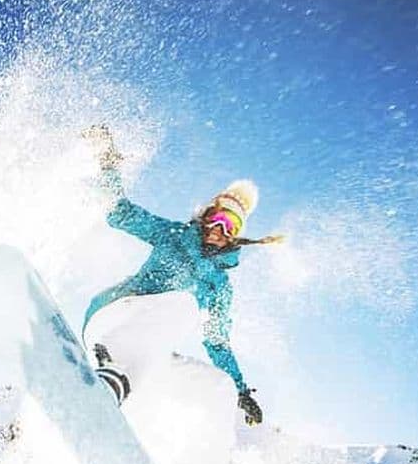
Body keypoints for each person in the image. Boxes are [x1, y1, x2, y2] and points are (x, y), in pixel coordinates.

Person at [82, 125, 283, 426]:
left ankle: (128, 401)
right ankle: (117, 367)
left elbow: (216, 342)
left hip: (146, 343)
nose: (220, 229)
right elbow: (119, 214)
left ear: (236, 235)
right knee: (182, 306)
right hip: (114, 313)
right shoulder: (174, 235)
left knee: (210, 385)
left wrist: (240, 392)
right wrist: (108, 163)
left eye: (231, 225)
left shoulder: (219, 286)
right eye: (217, 219)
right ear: (205, 218)